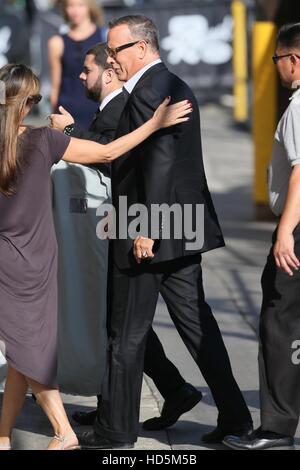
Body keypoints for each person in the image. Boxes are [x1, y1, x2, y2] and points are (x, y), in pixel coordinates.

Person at [78, 15, 253, 451]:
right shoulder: (169, 85)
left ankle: (114, 434)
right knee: (197, 328)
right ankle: (236, 417)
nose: (110, 59)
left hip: (149, 227)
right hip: (181, 226)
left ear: (141, 48)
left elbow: (157, 165)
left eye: (115, 50)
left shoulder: (150, 90)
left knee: (126, 332)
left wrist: (146, 231)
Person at [0, 63, 191, 451]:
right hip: (39, 259)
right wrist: (154, 125)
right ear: (28, 103)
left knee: (24, 350)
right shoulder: (44, 140)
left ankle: (63, 432)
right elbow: (108, 151)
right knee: (24, 353)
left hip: (7, 261)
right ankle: (3, 437)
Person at [50, 41, 203, 429]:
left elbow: (110, 155)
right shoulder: (115, 106)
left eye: (87, 70)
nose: (80, 76)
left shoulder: (125, 105)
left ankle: (130, 412)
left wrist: (67, 133)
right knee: (124, 322)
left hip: (131, 225)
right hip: (123, 224)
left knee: (126, 325)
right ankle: (147, 398)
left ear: (109, 71)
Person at [224, 23, 300, 451]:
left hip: (298, 226)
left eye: (276, 60)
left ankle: (275, 428)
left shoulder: (299, 107)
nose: (277, 68)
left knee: (280, 323)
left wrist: (285, 233)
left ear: (292, 59)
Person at [48, 0, 106, 128]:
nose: (75, 10)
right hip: (66, 111)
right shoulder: (57, 42)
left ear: (90, 6)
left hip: (97, 110)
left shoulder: (104, 37)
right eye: (70, 6)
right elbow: (55, 85)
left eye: (80, 5)